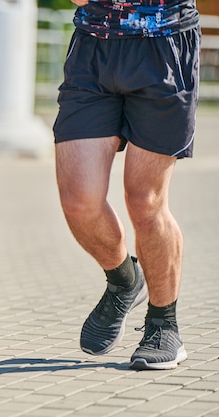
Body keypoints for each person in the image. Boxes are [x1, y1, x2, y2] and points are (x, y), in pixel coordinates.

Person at [53, 0, 200, 370]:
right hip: (93, 46)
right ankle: (124, 279)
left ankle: (163, 324)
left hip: (164, 44)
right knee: (79, 201)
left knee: (145, 201)